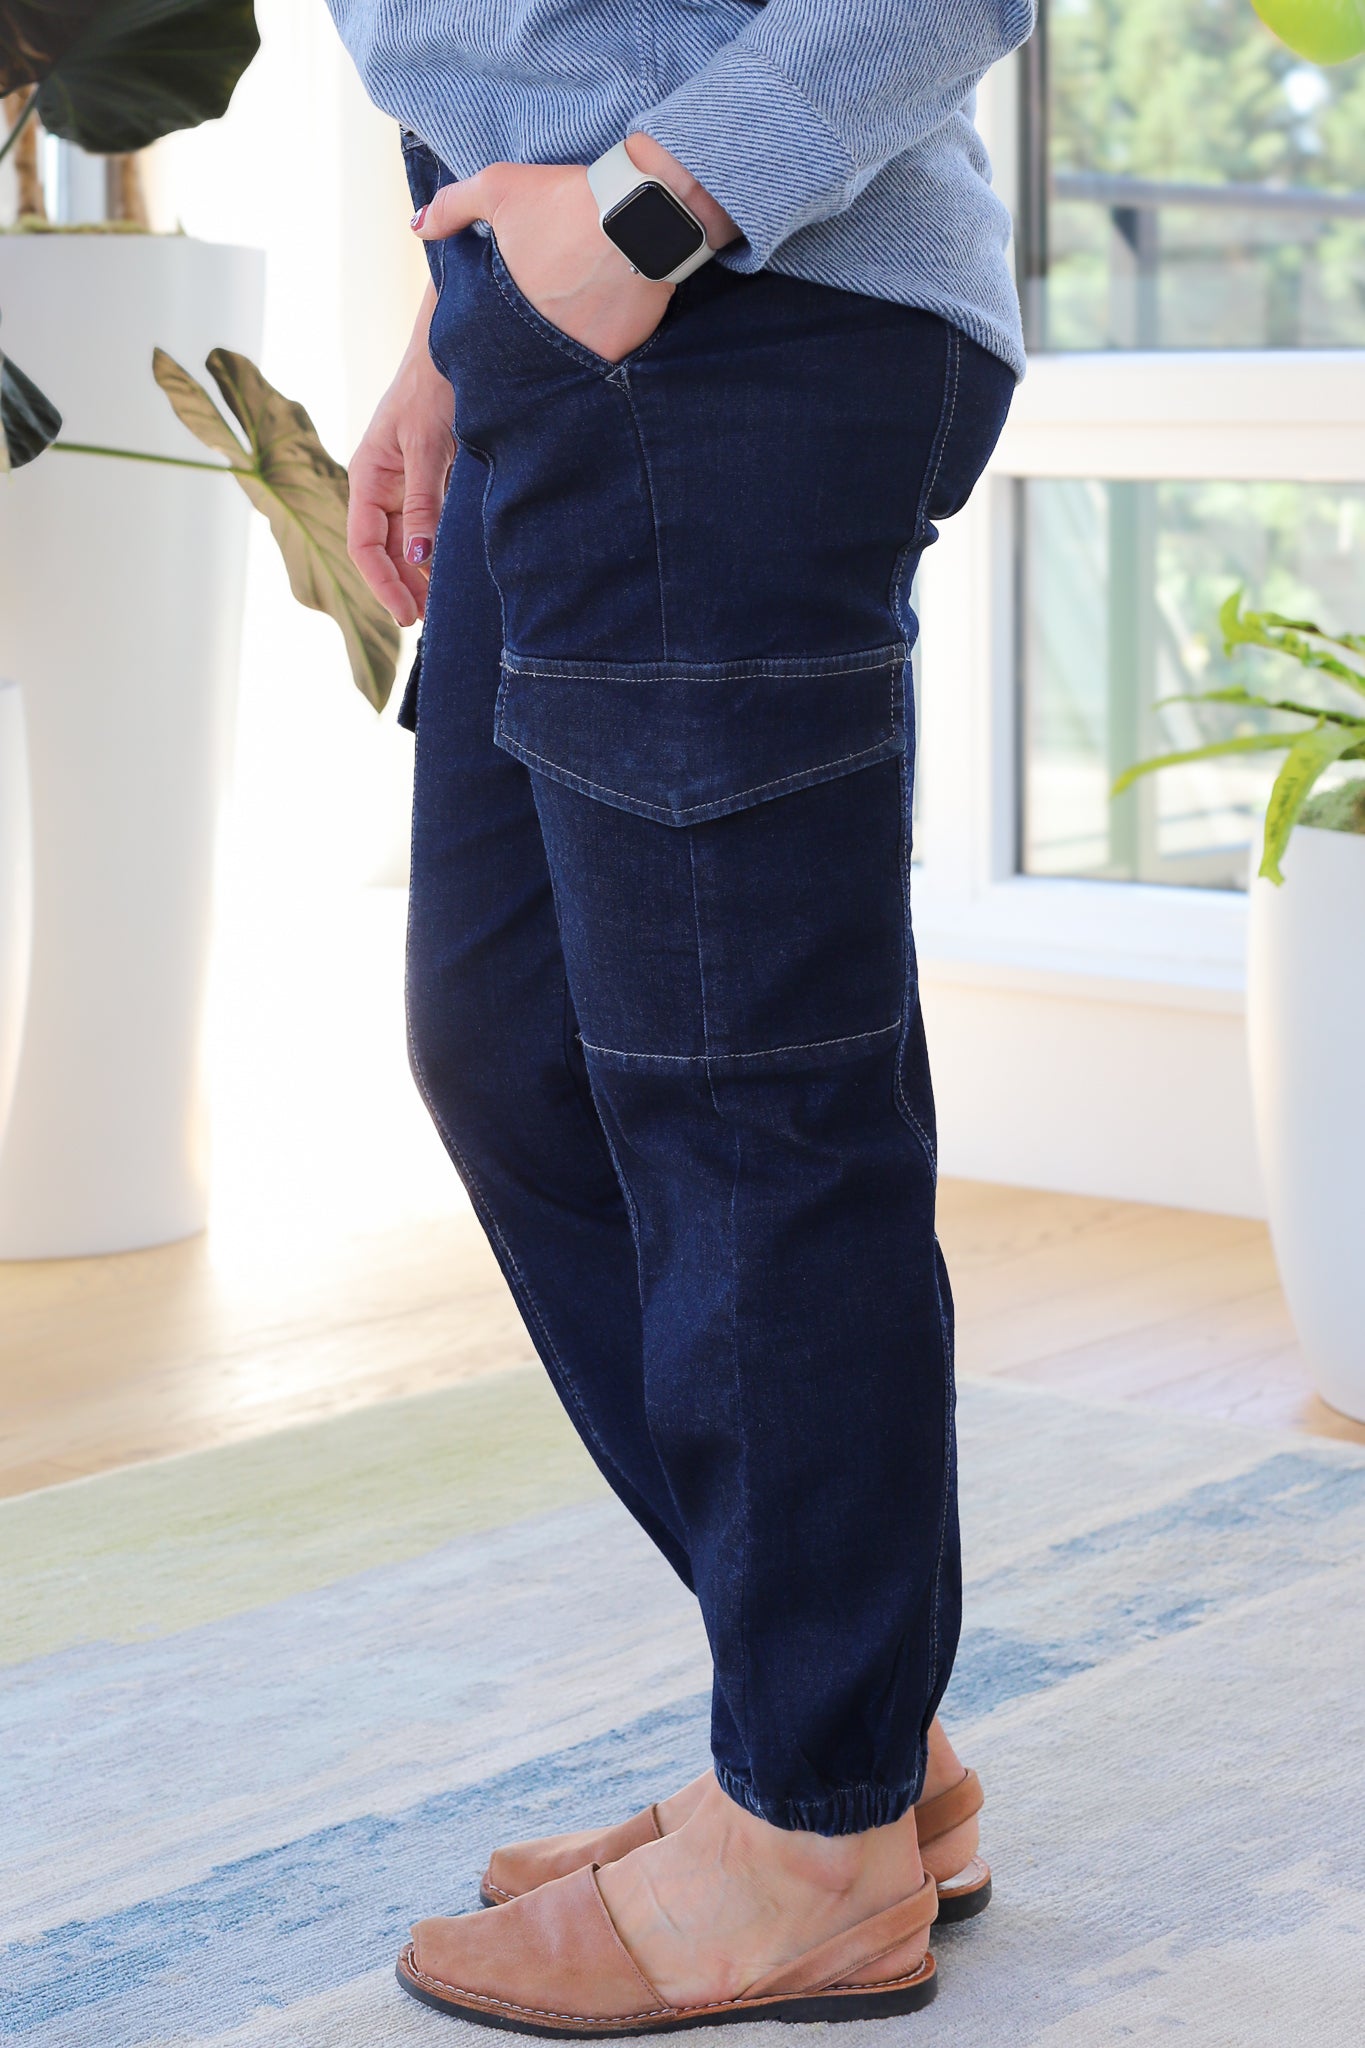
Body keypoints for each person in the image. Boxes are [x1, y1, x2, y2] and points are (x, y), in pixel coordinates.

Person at [330, 0, 1034, 2027]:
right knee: (514, 1047)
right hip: (559, 322)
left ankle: (811, 1839)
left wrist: (646, 214)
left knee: (739, 1100)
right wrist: (453, 330)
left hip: (730, 298)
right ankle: (860, 1748)